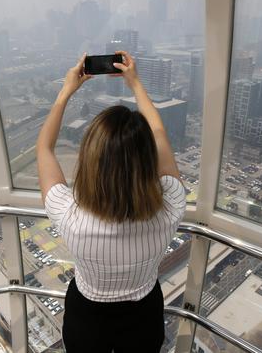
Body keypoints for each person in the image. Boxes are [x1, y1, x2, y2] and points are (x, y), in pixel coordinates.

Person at [36, 50, 186, 352]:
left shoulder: (69, 215)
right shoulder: (170, 207)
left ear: (90, 161)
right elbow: (158, 133)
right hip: (144, 316)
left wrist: (66, 90)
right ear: (147, 160)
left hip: (87, 318)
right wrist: (136, 84)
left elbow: (44, 149)